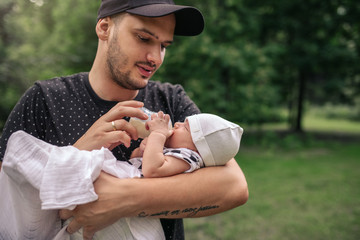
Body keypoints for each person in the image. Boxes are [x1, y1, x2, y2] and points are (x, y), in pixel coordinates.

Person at [0, 0, 249, 239]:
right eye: (143, 38)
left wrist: (122, 199)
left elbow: (233, 186)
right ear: (104, 28)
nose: (156, 58)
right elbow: (6, 196)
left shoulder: (171, 100)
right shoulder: (45, 99)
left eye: (164, 45)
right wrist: (79, 151)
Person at [0, 110, 243, 239]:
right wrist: (143, 147)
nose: (177, 125)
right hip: (126, 176)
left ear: (198, 147)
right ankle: (60, 198)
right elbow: (145, 161)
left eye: (185, 127)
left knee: (84, 165)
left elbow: (152, 170)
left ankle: (58, 195)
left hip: (127, 182)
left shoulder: (189, 158)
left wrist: (158, 135)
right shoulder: (179, 151)